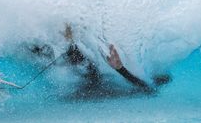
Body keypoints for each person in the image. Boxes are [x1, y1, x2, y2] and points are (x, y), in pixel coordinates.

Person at [29, 24, 171, 95]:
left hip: (86, 89)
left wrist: (120, 69)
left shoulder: (143, 88)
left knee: (83, 68)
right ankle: (66, 41)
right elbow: (147, 89)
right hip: (92, 85)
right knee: (89, 71)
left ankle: (36, 47)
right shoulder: (141, 87)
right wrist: (120, 69)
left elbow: (148, 90)